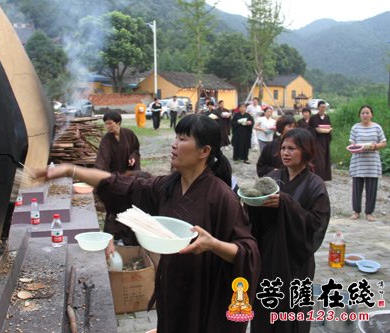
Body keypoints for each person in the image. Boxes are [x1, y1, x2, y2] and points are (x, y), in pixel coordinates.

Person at [41, 115, 261, 333]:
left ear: (204, 151)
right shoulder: (167, 186)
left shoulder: (222, 197)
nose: (174, 144)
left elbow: (248, 251)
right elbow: (119, 184)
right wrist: (70, 170)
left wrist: (213, 244)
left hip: (202, 294)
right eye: (175, 137)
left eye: (183, 139)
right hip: (171, 287)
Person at [247, 128, 330, 333]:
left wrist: (286, 204)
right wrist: (251, 202)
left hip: (296, 260)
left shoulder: (315, 185)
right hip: (269, 254)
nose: (285, 152)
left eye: (292, 148)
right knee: (266, 303)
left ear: (306, 151)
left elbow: (316, 223)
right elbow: (254, 217)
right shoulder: (272, 177)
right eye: (283, 148)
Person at [95, 111, 141, 244]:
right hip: (115, 180)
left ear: (118, 122)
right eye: (106, 124)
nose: (107, 126)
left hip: (129, 178)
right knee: (114, 209)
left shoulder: (129, 134)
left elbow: (136, 149)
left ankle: (129, 239)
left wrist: (133, 158)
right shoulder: (106, 139)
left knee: (129, 208)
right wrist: (99, 174)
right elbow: (101, 159)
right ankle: (112, 239)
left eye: (110, 123)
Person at [348, 105, 387, 222]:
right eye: (363, 113)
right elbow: (351, 144)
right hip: (358, 162)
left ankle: (369, 213)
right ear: (359, 115)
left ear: (372, 114)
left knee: (372, 189)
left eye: (367, 113)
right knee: (356, 188)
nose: (365, 115)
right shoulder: (355, 128)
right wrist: (357, 147)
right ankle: (356, 211)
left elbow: (383, 143)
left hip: (372, 162)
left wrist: (375, 146)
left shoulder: (377, 127)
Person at [308, 100, 332, 180]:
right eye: (321, 107)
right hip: (316, 141)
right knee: (318, 159)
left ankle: (324, 176)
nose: (323, 109)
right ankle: (316, 176)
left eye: (324, 107)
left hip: (325, 140)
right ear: (318, 107)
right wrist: (316, 130)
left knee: (325, 159)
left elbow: (329, 126)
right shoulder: (313, 118)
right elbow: (310, 129)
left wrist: (329, 130)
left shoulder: (327, 117)